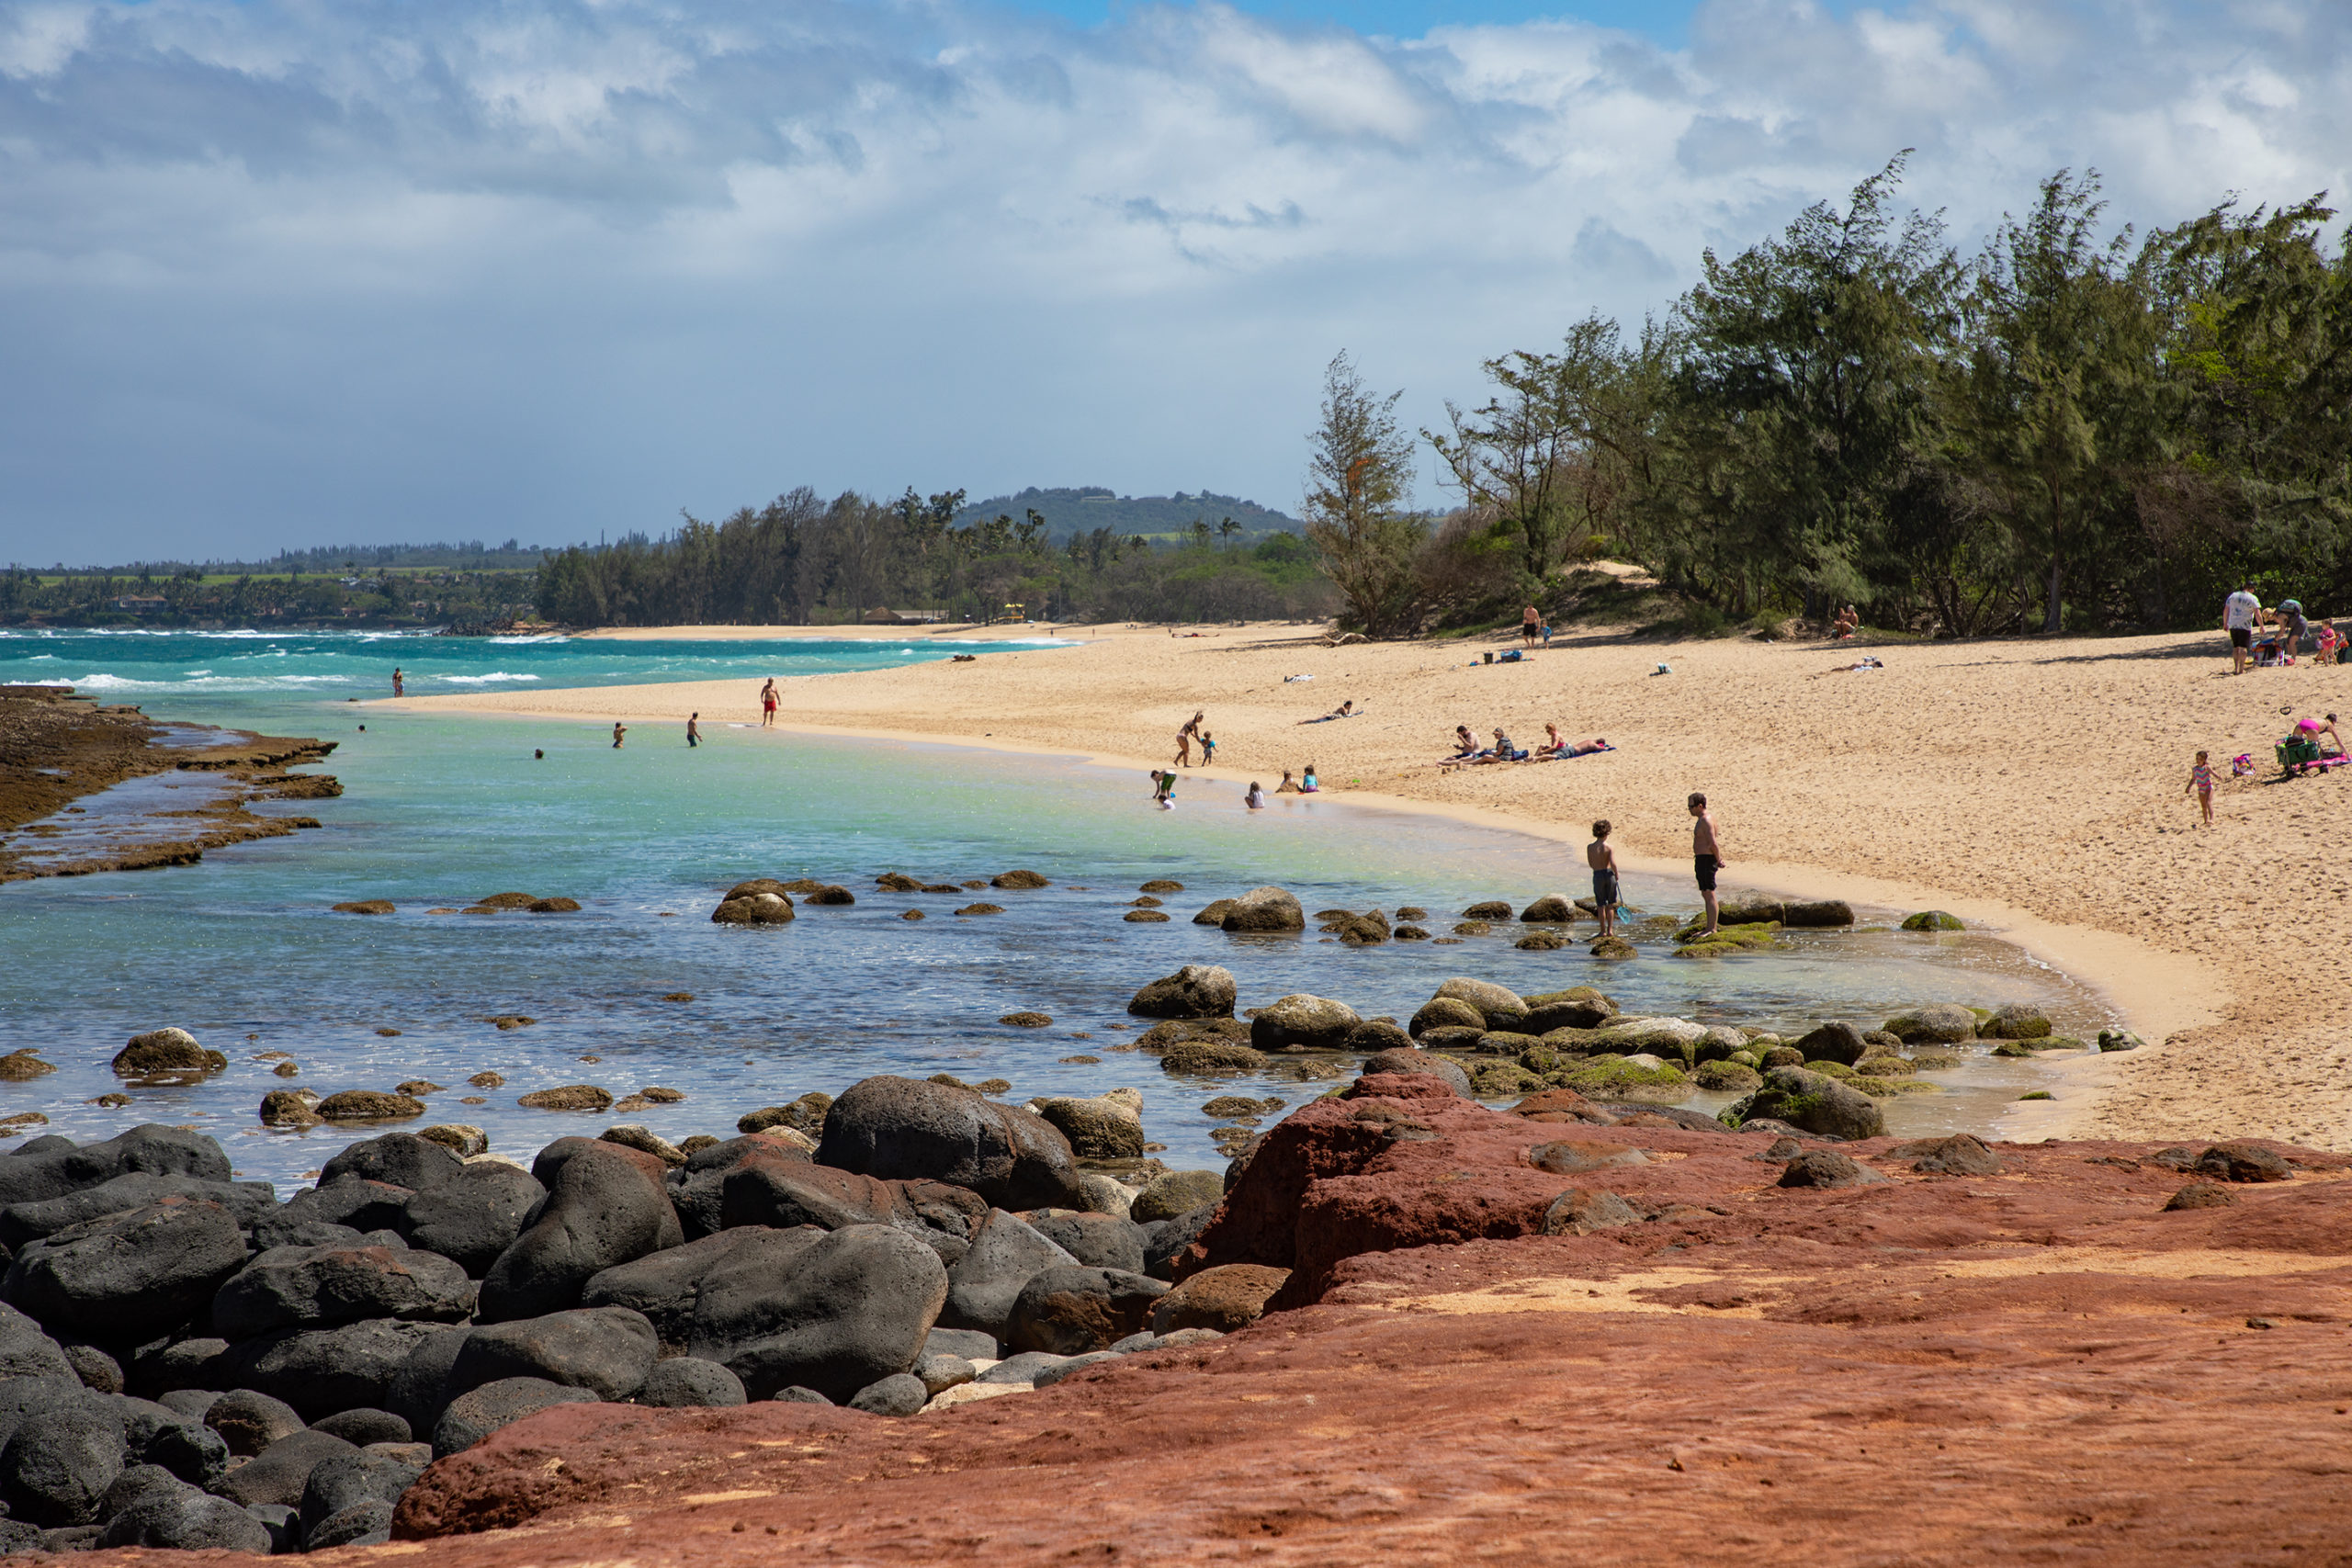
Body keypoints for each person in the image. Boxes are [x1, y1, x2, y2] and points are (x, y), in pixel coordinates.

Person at [1689, 792, 1724, 935]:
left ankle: (1712, 928)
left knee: (1709, 893)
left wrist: (1718, 859)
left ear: (1700, 805)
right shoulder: (1702, 819)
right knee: (1705, 893)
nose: (1689, 809)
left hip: (1706, 859)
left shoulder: (1706, 820)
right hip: (1702, 859)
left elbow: (1712, 843)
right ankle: (1709, 927)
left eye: (1691, 806)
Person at [1587, 819, 1620, 938]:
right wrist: (1616, 873)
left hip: (1597, 874)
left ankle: (1602, 931)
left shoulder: (1590, 847)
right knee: (1610, 904)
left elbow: (1591, 863)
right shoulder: (1609, 847)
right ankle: (1610, 930)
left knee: (1600, 904)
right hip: (1609, 874)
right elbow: (1613, 863)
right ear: (1607, 832)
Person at [2223, 581, 2262, 674]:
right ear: (2251, 589)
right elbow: (2257, 613)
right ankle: (2241, 669)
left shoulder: (2232, 596)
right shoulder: (2252, 598)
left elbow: (2226, 610)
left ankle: (2236, 668)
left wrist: (2225, 623)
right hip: (2245, 625)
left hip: (2233, 624)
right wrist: (2261, 626)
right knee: (2243, 647)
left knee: (2236, 647)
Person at [2187, 750, 2213, 826]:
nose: (2198, 761)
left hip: (2208, 787)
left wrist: (2219, 777)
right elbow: (2193, 779)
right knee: (2203, 805)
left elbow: (2213, 773)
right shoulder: (2195, 769)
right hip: (2201, 788)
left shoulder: (2206, 767)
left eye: (2200, 759)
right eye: (2197, 759)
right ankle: (2205, 820)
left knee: (2208, 802)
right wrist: (2188, 787)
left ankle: (2211, 819)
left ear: (2204, 760)